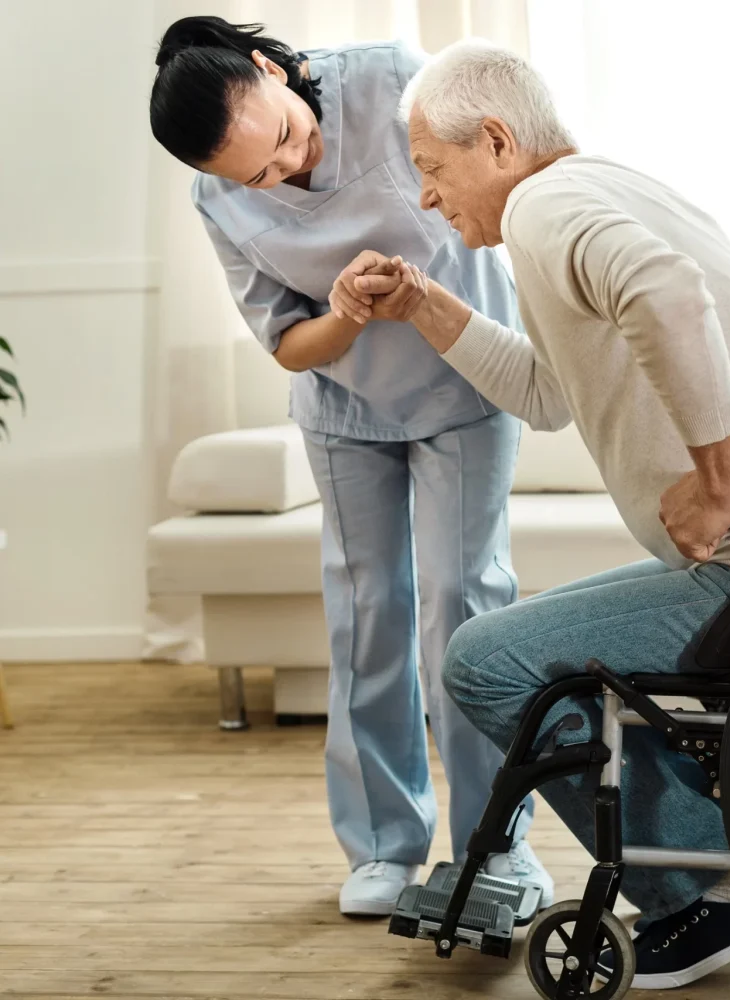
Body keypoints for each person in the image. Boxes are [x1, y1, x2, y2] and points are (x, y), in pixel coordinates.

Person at [339, 39, 730, 988]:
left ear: (497, 142)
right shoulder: (593, 192)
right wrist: (425, 305)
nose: (427, 197)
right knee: (529, 647)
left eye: (431, 168)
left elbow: (667, 293)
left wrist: (719, 479)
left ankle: (705, 895)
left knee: (484, 658)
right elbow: (550, 393)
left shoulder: (549, 207)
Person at [148, 19, 552, 917]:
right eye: (257, 176)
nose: (285, 171)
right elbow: (292, 344)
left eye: (286, 139)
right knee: (368, 618)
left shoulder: (395, 80)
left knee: (465, 608)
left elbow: (501, 182)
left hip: (463, 379)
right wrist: (348, 311)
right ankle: (382, 845)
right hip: (344, 405)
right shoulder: (218, 202)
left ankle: (499, 846)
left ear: (271, 69)